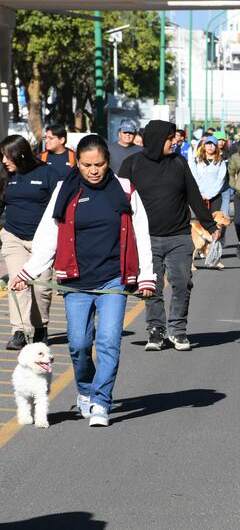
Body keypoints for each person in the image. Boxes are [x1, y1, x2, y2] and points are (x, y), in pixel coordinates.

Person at [10, 135, 156, 427]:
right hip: (75, 281)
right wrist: (28, 273)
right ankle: (86, 391)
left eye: (99, 164)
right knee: (78, 344)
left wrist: (146, 276)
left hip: (114, 279)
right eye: (87, 165)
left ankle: (101, 401)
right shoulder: (66, 190)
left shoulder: (125, 190)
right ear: (78, 164)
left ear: (108, 163)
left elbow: (142, 235)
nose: (93, 170)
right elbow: (48, 235)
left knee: (108, 341)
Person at [118, 120, 219, 352]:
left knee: (182, 284)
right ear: (156, 139)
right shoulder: (131, 165)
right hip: (145, 239)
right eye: (170, 138)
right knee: (151, 286)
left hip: (179, 237)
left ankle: (178, 330)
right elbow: (118, 200)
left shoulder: (179, 163)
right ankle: (156, 330)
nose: (174, 142)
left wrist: (210, 224)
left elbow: (193, 195)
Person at [0, 135, 58, 349]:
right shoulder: (4, 175)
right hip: (13, 236)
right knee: (18, 284)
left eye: (7, 157)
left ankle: (40, 326)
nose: (4, 161)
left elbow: (60, 208)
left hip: (41, 241)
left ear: (20, 154)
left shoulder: (48, 173)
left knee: (40, 288)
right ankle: (20, 331)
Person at [188, 134, 227, 213]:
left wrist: (209, 195)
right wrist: (202, 193)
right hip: (199, 195)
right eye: (208, 144)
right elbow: (194, 176)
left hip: (215, 196)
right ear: (204, 146)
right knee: (201, 222)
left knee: (214, 221)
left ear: (216, 147)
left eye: (213, 144)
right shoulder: (197, 160)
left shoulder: (220, 162)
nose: (210, 146)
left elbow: (220, 179)